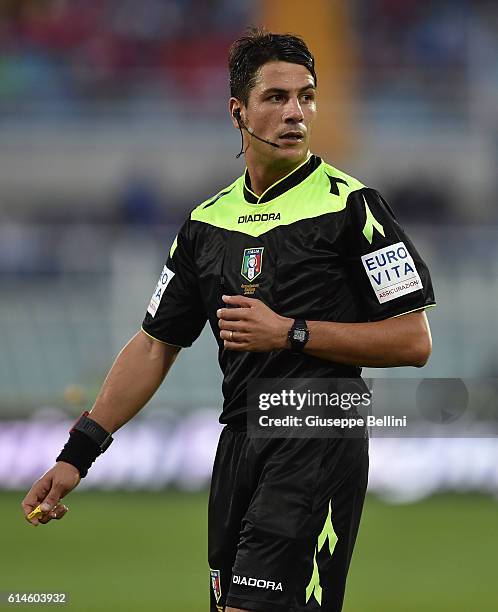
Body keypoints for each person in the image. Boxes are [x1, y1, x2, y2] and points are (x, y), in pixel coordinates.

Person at [22, 28, 435, 612]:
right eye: (276, 98)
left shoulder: (352, 207)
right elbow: (154, 344)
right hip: (239, 439)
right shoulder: (205, 225)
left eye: (306, 97)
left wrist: (288, 331)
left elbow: (414, 340)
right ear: (237, 112)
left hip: (315, 433)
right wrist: (77, 456)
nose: (296, 113)